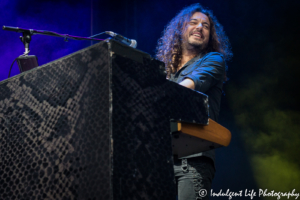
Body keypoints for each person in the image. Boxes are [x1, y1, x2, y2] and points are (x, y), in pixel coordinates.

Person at [156, 3, 233, 200]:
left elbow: (185, 88)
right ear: (180, 29)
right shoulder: (162, 70)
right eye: (193, 22)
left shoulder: (214, 59)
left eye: (206, 26)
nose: (200, 27)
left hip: (192, 162)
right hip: (159, 163)